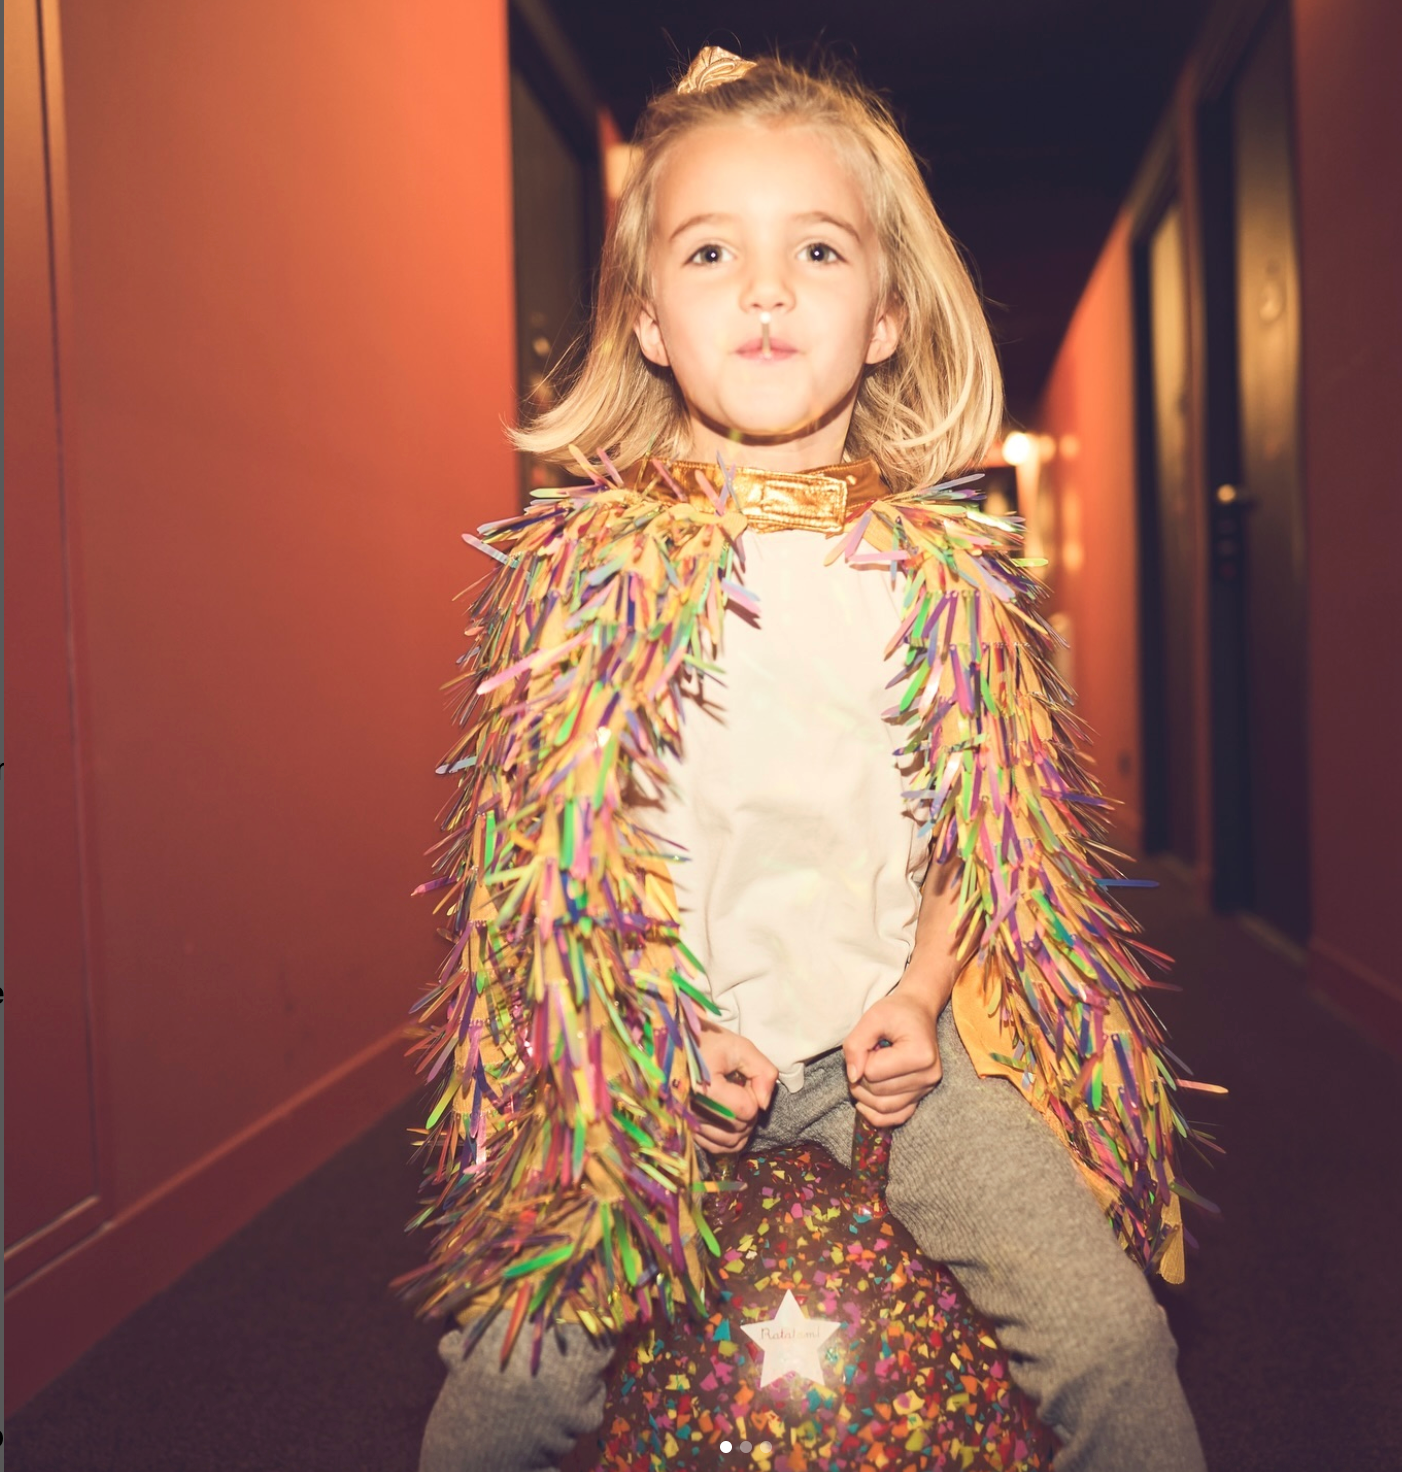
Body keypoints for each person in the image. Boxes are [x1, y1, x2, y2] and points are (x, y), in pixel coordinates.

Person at [404, 45, 1214, 1472]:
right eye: (710, 251)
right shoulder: (585, 582)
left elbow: (987, 835)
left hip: (895, 1057)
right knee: (508, 1381)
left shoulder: (943, 580)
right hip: (653, 1065)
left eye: (817, 250)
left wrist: (915, 994)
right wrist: (656, 1037)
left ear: (887, 317)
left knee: (1109, 1335)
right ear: (649, 322)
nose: (765, 290)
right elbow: (551, 876)